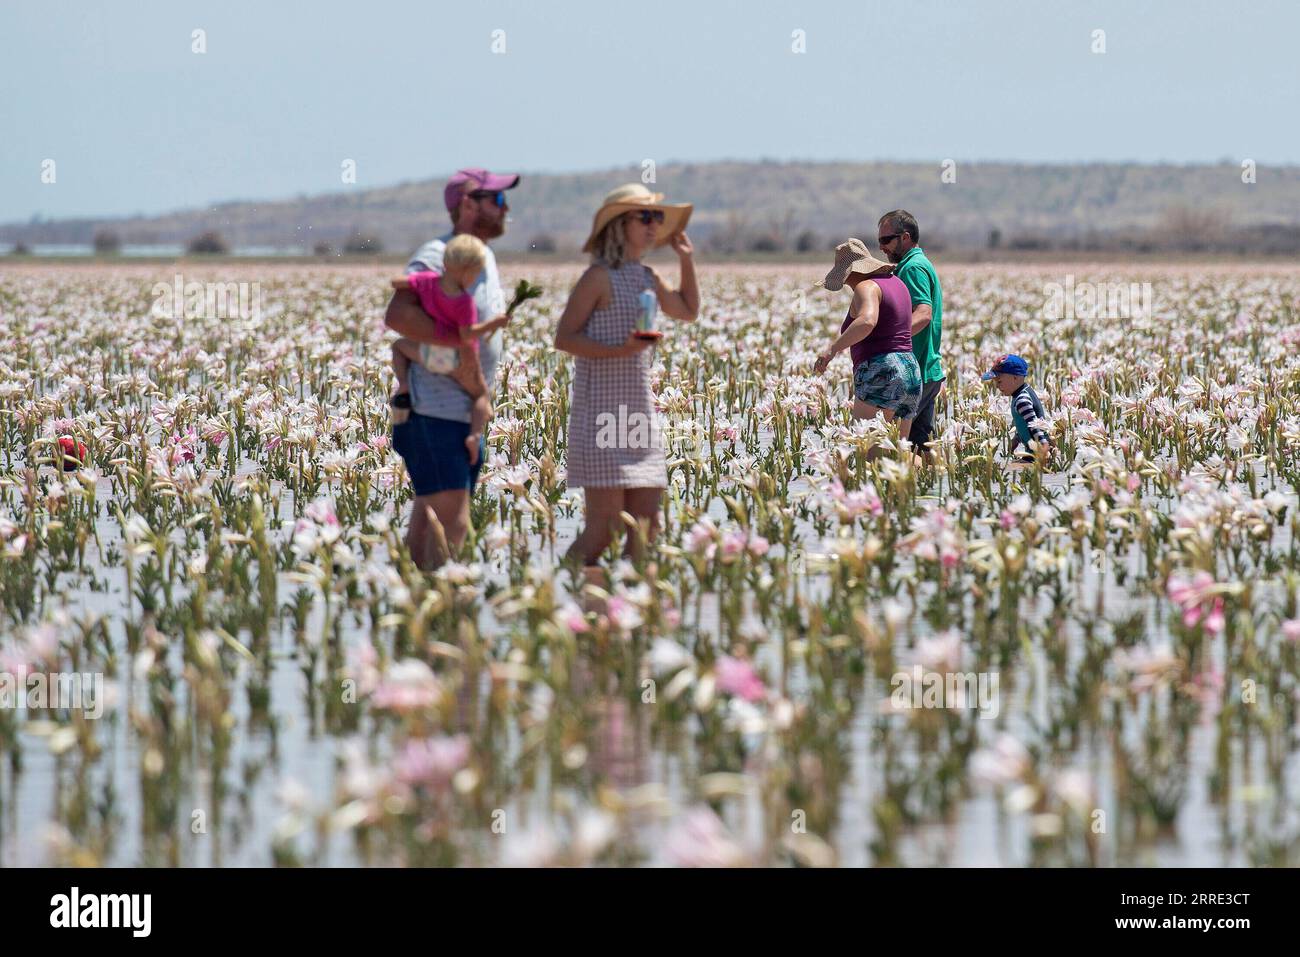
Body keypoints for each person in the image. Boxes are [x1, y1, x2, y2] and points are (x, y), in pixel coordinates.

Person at [554, 183, 697, 572]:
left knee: (647, 530)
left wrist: (686, 260)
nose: (654, 226)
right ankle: (558, 599)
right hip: (601, 413)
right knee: (604, 527)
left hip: (637, 415)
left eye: (657, 219)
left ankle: (632, 617)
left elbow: (686, 311)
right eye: (645, 217)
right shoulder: (597, 278)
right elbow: (564, 337)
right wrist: (622, 350)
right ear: (619, 225)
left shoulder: (648, 277)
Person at [384, 167, 519, 570]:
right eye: (495, 200)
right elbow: (397, 314)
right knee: (455, 523)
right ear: (466, 205)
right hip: (434, 413)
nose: (504, 207)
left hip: (456, 416)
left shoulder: (482, 256)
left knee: (428, 520)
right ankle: (443, 610)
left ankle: (411, 606)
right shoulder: (439, 255)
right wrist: (458, 350)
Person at [388, 234, 508, 464]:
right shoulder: (464, 301)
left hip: (436, 356)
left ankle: (403, 384)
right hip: (464, 360)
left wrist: (408, 282)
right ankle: (474, 434)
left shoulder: (429, 281)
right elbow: (466, 334)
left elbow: (397, 282)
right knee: (481, 396)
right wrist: (495, 323)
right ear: (470, 271)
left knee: (399, 346)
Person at [813, 238, 921, 447]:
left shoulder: (866, 286)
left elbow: (867, 320)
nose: (846, 283)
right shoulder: (898, 284)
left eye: (845, 277)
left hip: (882, 370)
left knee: (867, 453)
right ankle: (929, 477)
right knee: (899, 452)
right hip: (910, 369)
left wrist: (832, 349)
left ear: (852, 272)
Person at [877, 210, 945, 456]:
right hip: (927, 370)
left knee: (896, 445)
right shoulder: (917, 264)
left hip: (915, 371)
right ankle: (935, 490)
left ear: (905, 237)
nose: (882, 248)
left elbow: (924, 314)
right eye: (879, 242)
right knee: (922, 446)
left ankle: (904, 491)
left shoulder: (913, 268)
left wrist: (889, 339)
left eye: (886, 240)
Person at [981, 354, 1053, 463]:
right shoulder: (1021, 394)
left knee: (1006, 469)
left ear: (1015, 378)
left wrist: (1044, 447)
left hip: (1037, 453)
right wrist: (1016, 440)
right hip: (1032, 451)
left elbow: (1034, 426)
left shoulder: (1022, 400)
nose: (997, 386)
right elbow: (1024, 424)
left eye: (999, 381)